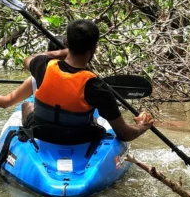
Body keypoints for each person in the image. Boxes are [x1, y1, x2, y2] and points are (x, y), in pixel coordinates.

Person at [20, 19, 153, 143]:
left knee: (27, 105)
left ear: (67, 43)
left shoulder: (42, 66)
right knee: (94, 119)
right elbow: (125, 134)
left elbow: (28, 59)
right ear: (95, 47)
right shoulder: (97, 87)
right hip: (79, 140)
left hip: (43, 135)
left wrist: (60, 52)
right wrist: (142, 126)